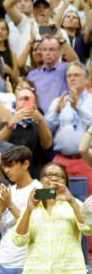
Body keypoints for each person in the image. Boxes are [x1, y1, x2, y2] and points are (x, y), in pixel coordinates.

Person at [13, 162, 92, 274]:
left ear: (65, 182)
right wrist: (29, 210)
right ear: (40, 180)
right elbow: (19, 240)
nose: (54, 178)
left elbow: (88, 230)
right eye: (49, 174)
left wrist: (72, 202)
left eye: (59, 176)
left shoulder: (75, 204)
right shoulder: (31, 207)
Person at [0, 146, 42, 274]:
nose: (7, 170)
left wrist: (10, 204)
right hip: (1, 264)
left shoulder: (39, 189)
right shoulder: (5, 192)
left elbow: (35, 227)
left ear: (26, 164)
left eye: (11, 165)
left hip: (27, 265)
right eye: (5, 166)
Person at [45, 62, 92, 193]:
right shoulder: (58, 101)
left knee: (88, 203)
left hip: (87, 160)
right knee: (55, 198)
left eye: (76, 75)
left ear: (87, 79)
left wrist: (78, 108)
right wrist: (56, 112)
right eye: (69, 75)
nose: (72, 78)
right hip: (61, 160)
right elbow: (47, 130)